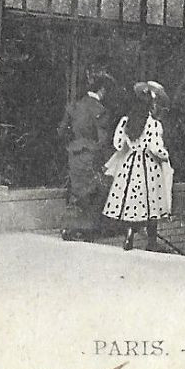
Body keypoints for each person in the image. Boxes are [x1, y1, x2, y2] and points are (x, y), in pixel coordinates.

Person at [102, 81, 173, 251]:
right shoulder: (154, 124)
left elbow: (118, 144)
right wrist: (165, 155)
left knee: (131, 201)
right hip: (148, 165)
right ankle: (151, 241)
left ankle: (129, 236)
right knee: (151, 202)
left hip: (130, 163)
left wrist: (130, 146)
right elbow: (156, 148)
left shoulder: (126, 121)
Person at [58, 72, 115, 242]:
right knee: (95, 190)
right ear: (102, 90)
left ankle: (69, 227)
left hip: (74, 153)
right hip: (91, 154)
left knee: (77, 190)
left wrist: (73, 142)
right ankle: (88, 229)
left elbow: (61, 131)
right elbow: (103, 139)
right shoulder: (99, 109)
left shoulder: (74, 106)